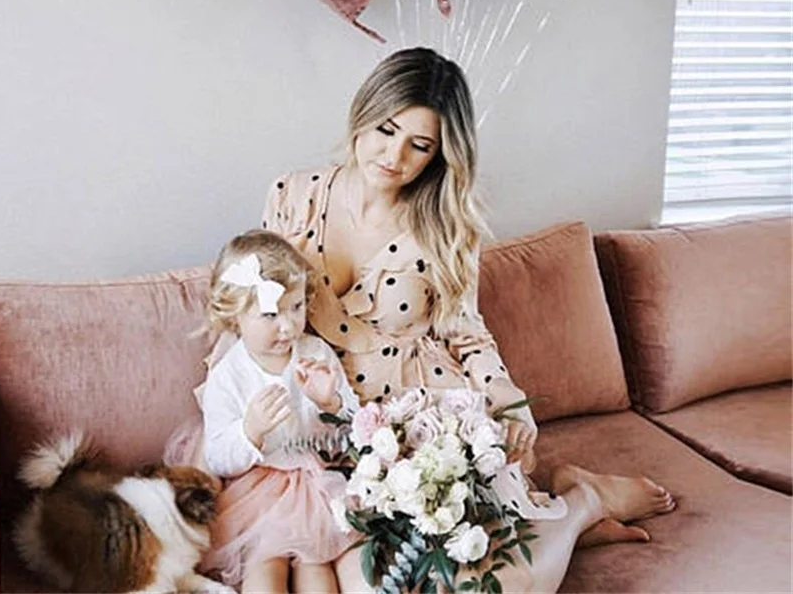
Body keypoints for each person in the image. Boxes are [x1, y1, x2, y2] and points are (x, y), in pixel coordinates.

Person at [261, 47, 676, 594]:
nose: (394, 156)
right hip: (330, 429)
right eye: (386, 130)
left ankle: (581, 502)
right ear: (363, 112)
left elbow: (465, 331)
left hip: (423, 419)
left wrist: (507, 396)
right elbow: (252, 311)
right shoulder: (293, 197)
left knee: (492, 585)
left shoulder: (445, 224)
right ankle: (566, 516)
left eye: (420, 145)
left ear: (439, 154)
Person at [199, 230, 361, 594]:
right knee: (263, 569)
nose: (288, 326)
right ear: (235, 317)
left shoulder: (315, 354)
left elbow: (353, 436)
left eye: (297, 307)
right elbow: (217, 456)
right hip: (258, 494)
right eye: (271, 314)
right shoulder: (228, 375)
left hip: (317, 483)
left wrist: (331, 405)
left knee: (316, 569)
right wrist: (250, 430)